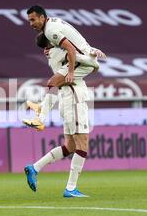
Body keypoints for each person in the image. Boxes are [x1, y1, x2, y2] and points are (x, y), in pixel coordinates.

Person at [23, 32, 104, 197]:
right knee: (82, 144)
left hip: (67, 100)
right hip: (74, 100)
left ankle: (35, 167)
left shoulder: (55, 54)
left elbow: (77, 54)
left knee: (70, 147)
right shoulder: (59, 52)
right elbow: (84, 58)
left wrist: (91, 52)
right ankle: (71, 188)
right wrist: (94, 54)